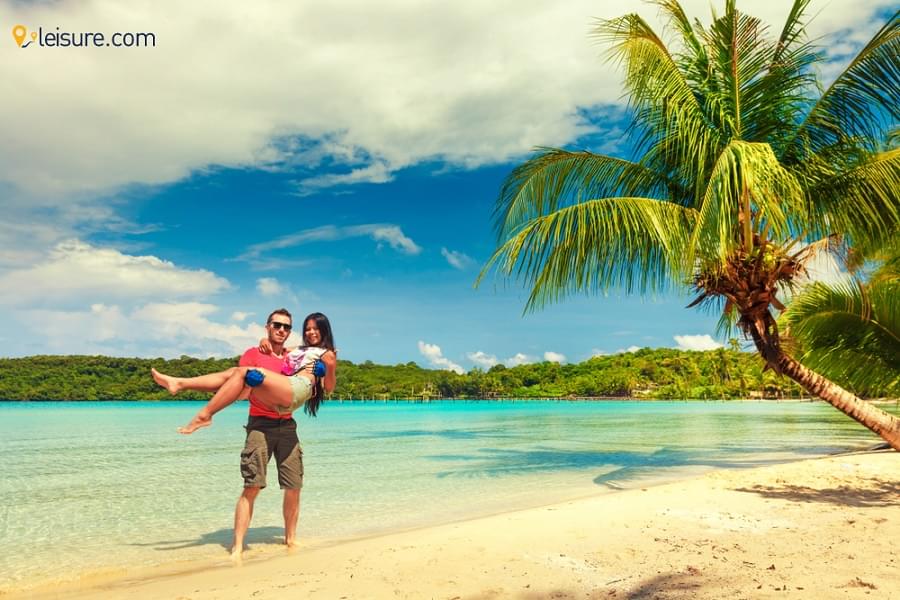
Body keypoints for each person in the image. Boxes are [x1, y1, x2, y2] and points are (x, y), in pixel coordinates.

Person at [151, 310, 337, 559]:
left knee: (293, 486)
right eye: (278, 325)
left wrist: (328, 369)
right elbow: (238, 391)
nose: (283, 330)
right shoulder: (279, 352)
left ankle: (200, 409)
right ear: (268, 326)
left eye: (287, 327)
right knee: (252, 485)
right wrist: (263, 348)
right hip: (261, 424)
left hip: (289, 411)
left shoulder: (322, 354)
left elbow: (329, 386)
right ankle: (237, 547)